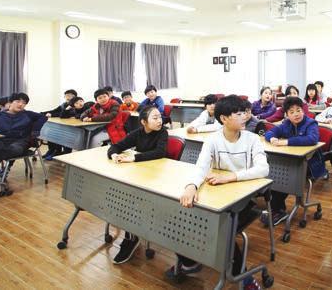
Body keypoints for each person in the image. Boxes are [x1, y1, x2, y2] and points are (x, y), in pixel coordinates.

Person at [173, 95, 268, 290]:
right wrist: (191, 186)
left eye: (245, 113)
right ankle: (190, 259)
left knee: (224, 227)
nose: (244, 117)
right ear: (224, 118)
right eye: (239, 113)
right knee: (181, 216)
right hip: (217, 196)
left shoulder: (252, 139)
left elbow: (263, 169)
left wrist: (230, 177)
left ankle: (244, 277)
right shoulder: (213, 140)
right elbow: (201, 167)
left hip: (245, 198)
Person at [106, 106, 168, 264]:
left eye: (160, 117)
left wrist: (133, 159)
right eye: (155, 118)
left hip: (158, 177)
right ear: (143, 122)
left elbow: (159, 152)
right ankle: (131, 235)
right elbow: (117, 146)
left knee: (132, 199)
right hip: (141, 175)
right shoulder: (137, 133)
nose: (159, 120)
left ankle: (131, 238)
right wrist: (114, 155)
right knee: (125, 197)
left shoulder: (162, 133)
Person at [262, 96, 321, 225]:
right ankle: (278, 209)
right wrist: (272, 138)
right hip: (290, 162)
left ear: (303, 111)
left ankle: (277, 210)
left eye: (298, 110)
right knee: (275, 175)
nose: (296, 114)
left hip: (309, 164)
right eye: (292, 112)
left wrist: (286, 142)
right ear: (286, 114)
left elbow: (312, 139)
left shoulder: (311, 123)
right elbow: (270, 132)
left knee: (282, 177)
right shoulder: (286, 124)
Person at [0, 92, 47, 183]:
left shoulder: (28, 114)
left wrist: (36, 130)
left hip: (20, 141)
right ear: (10, 102)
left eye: (24, 103)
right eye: (18, 101)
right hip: (2, 140)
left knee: (14, 149)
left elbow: (43, 118)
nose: (21, 104)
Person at [43, 89, 78, 159]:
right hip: (62, 125)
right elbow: (55, 111)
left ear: (75, 97)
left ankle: (65, 154)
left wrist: (52, 115)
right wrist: (42, 113)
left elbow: (65, 115)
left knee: (64, 135)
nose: (68, 97)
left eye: (71, 96)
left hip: (72, 128)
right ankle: (53, 150)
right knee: (51, 132)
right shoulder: (63, 104)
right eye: (67, 96)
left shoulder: (76, 105)